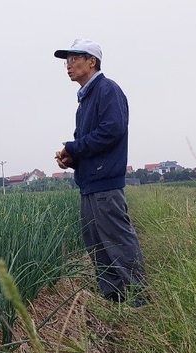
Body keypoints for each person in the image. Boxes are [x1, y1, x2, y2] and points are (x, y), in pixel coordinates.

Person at [53, 39, 147, 304]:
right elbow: (92, 144)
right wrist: (71, 158)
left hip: (105, 182)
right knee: (96, 244)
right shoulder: (85, 99)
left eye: (74, 59)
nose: (68, 65)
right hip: (90, 182)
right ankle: (113, 298)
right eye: (67, 61)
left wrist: (74, 147)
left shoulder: (107, 90)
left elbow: (111, 131)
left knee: (117, 240)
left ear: (91, 61)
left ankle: (138, 299)